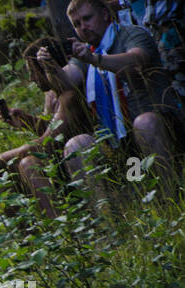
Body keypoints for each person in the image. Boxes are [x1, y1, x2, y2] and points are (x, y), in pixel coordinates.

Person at [36, 0, 183, 193]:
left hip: (162, 130)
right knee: (76, 145)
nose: (83, 27)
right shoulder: (87, 51)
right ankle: (107, 215)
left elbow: (136, 61)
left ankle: (172, 194)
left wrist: (94, 60)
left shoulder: (131, 34)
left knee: (144, 122)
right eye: (77, 24)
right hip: (119, 143)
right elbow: (66, 82)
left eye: (87, 18)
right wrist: (51, 68)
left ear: (105, 14)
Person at [0, 37, 96, 216]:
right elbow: (55, 129)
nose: (31, 78)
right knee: (23, 166)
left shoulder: (70, 96)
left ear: (46, 67)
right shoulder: (54, 94)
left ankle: (62, 230)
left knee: (27, 164)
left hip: (76, 167)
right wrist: (26, 120)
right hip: (61, 163)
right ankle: (34, 233)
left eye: (33, 72)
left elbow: (46, 144)